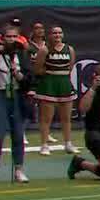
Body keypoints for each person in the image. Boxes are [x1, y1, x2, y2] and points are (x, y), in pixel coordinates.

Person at [0, 24, 30, 184]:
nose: (12, 39)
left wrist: (19, 75)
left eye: (14, 36)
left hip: (16, 95)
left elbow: (30, 80)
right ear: (2, 39)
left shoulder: (22, 55)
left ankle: (19, 169)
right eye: (8, 37)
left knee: (18, 134)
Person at [31, 25, 78, 155]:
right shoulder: (44, 50)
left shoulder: (70, 49)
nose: (57, 35)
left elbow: (70, 67)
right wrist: (52, 72)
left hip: (64, 83)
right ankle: (44, 144)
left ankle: (68, 143)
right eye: (54, 33)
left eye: (59, 33)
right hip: (48, 84)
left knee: (66, 117)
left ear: (62, 35)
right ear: (49, 35)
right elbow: (37, 69)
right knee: (46, 117)